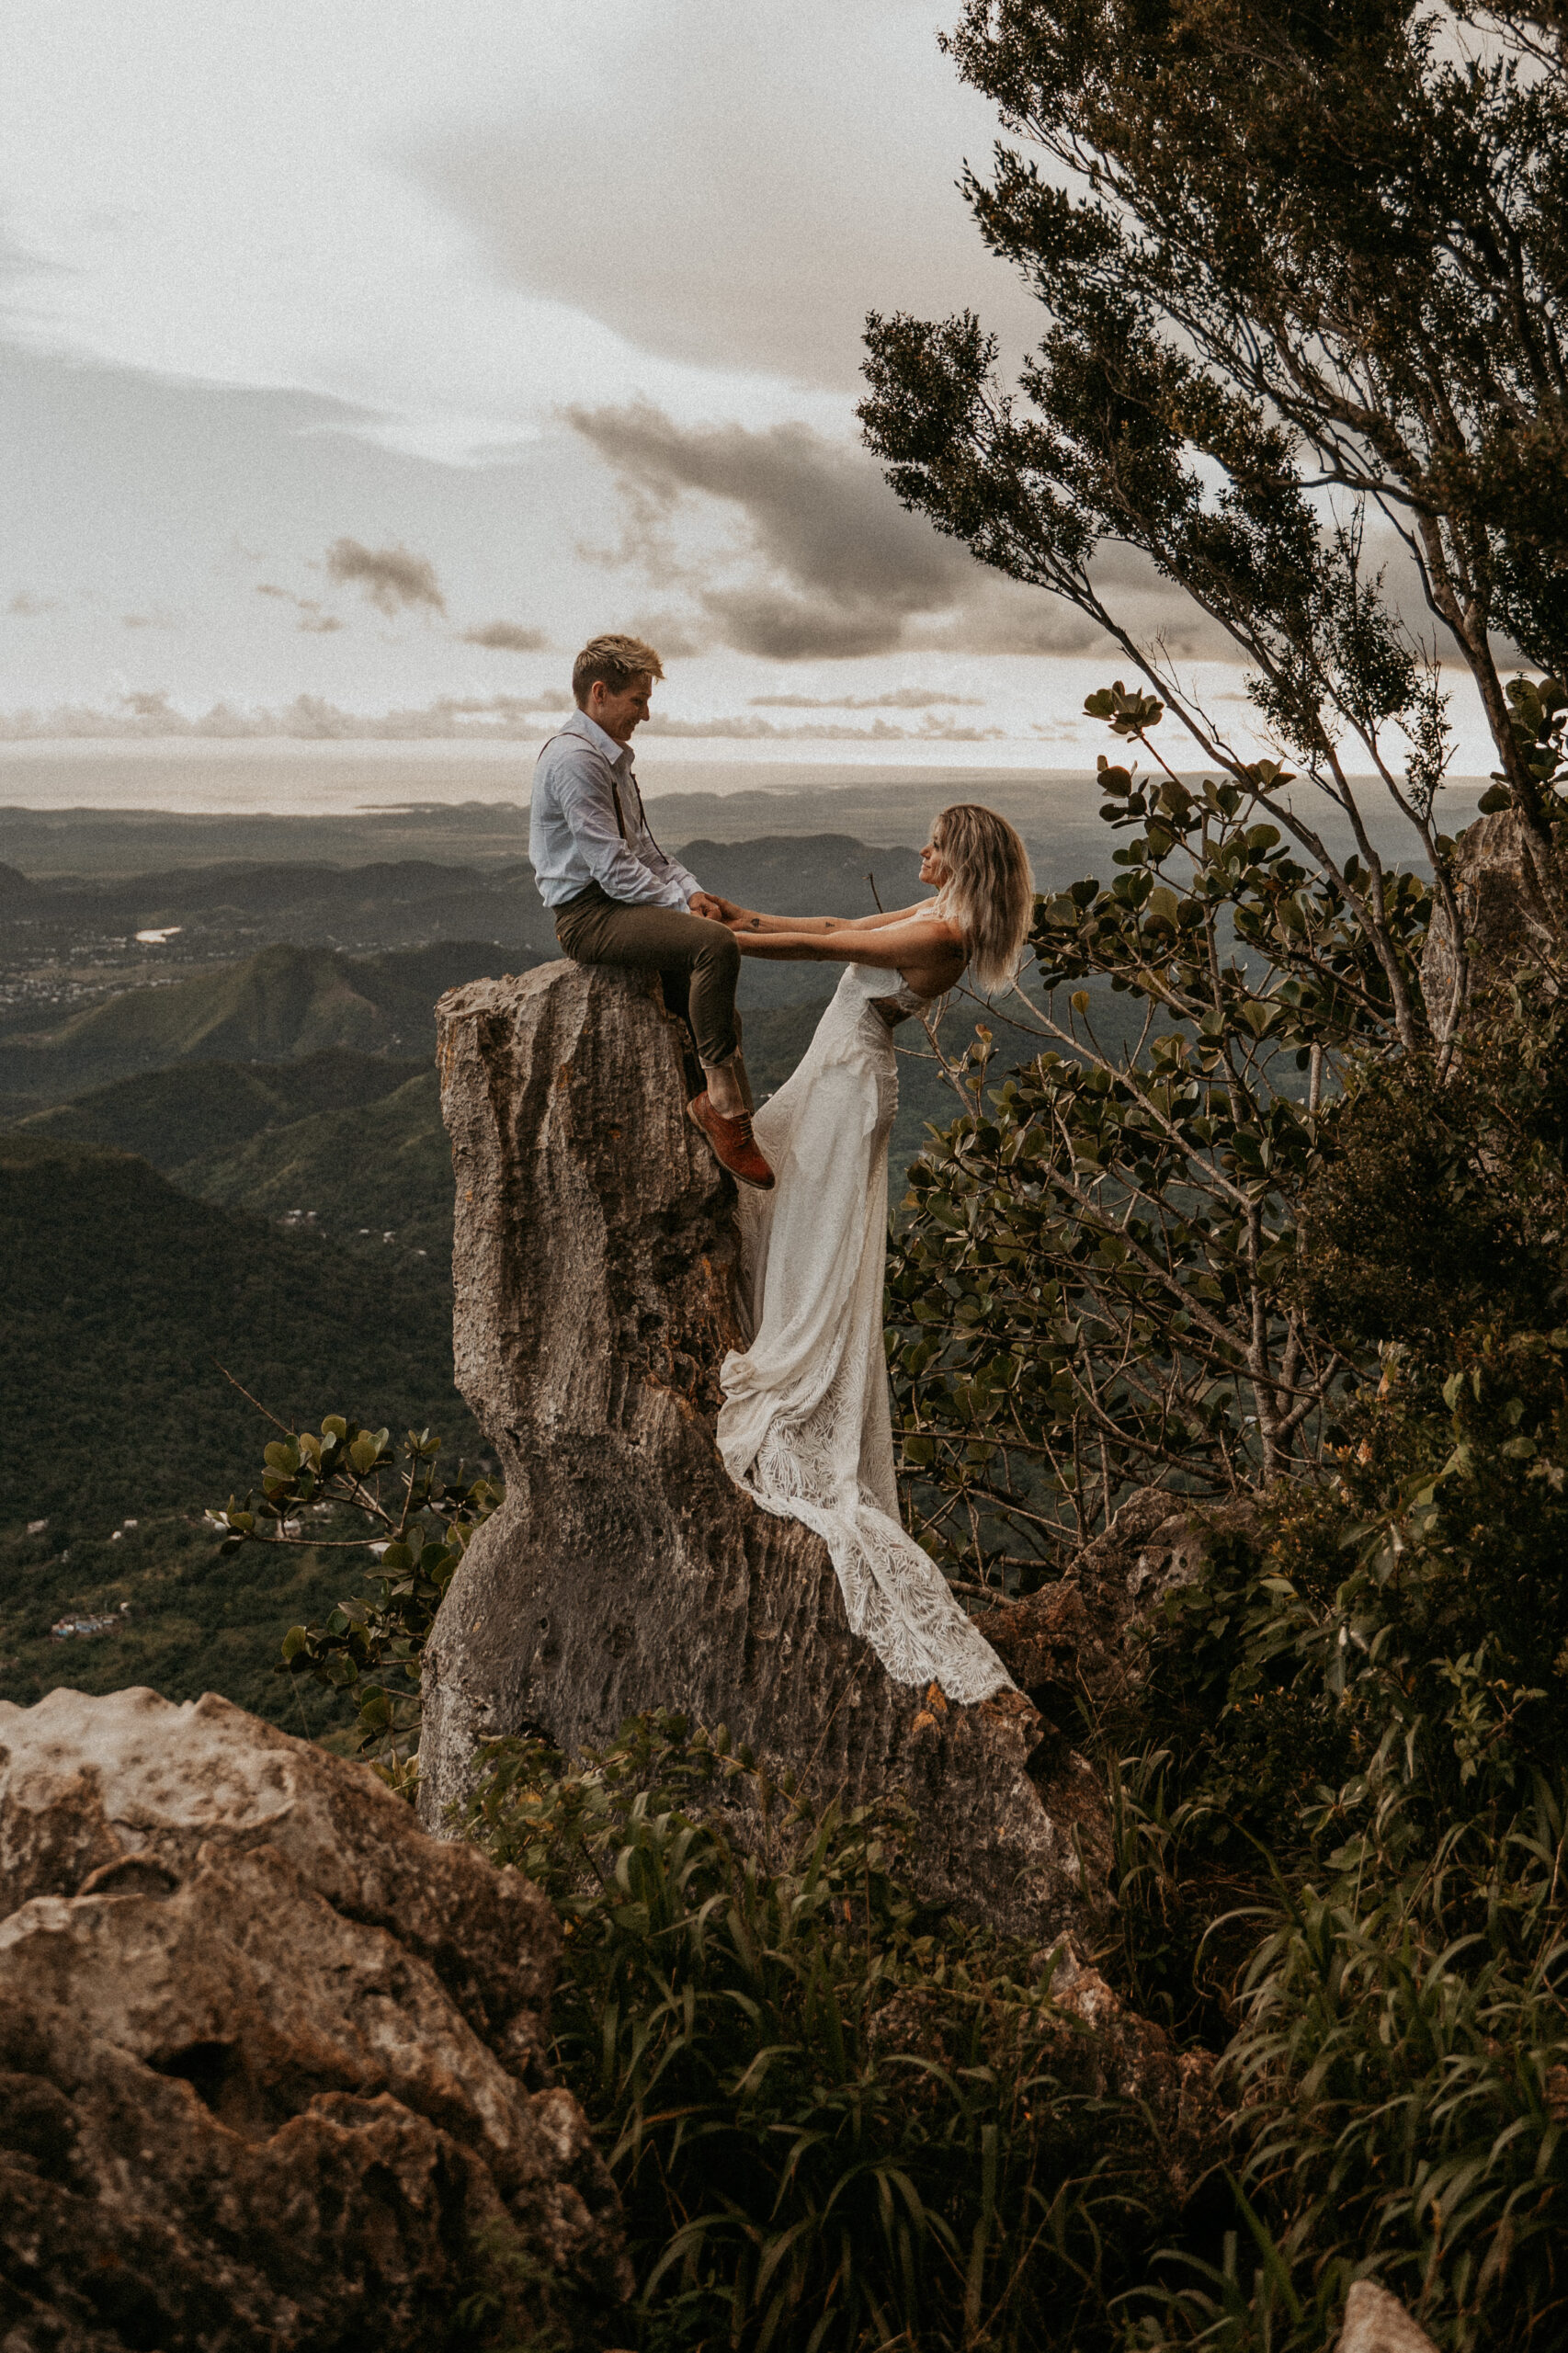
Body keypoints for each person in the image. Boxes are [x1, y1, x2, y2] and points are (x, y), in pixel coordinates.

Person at [707, 804, 1036, 1704]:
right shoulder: (935, 921)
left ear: (960, 858)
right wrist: (736, 918)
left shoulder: (944, 931)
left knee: (809, 1239)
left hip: (850, 1088)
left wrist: (724, 947)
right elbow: (829, 929)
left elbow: (822, 950)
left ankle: (797, 1392)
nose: (921, 853)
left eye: (934, 843)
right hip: (840, 1076)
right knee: (770, 1192)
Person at [530, 633, 773, 1188]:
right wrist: (686, 911)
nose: (646, 713)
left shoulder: (609, 760)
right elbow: (614, 871)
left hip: (618, 902)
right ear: (600, 694)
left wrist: (690, 892)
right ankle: (726, 1110)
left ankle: (722, 1113)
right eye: (637, 700)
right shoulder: (575, 761)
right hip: (588, 916)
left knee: (715, 998)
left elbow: (646, 852)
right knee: (714, 946)